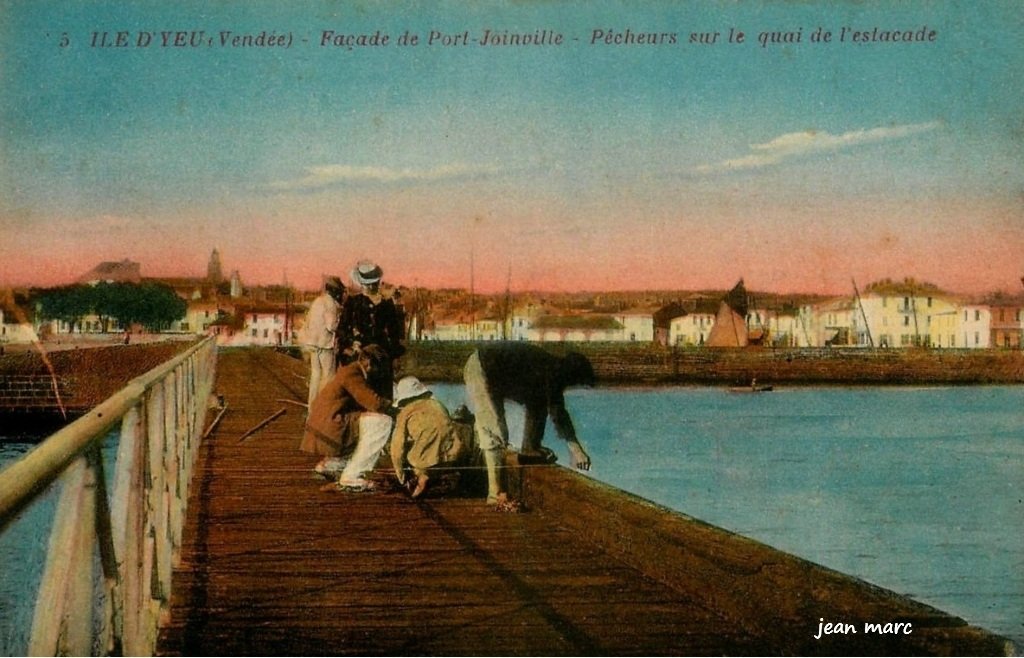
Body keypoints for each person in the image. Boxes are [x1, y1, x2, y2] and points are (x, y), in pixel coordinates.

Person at [463, 342, 596, 504]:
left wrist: (531, 448)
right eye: (576, 382)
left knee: (537, 403)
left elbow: (540, 408)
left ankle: (530, 447)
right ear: (571, 375)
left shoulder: (547, 371)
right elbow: (559, 414)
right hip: (481, 368)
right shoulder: (553, 372)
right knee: (494, 429)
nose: (572, 387)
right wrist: (577, 451)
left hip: (494, 373)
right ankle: (494, 495)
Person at [300, 345, 393, 491]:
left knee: (364, 421)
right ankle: (353, 476)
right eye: (378, 367)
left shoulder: (350, 370)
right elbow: (374, 403)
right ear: (368, 362)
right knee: (382, 422)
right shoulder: (353, 374)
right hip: (330, 425)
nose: (379, 372)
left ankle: (332, 464)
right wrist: (394, 406)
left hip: (324, 424)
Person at [388, 376, 474, 498]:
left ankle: (423, 476)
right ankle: (441, 475)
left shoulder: (405, 412)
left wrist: (401, 477)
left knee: (409, 454)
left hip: (426, 461)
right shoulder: (437, 404)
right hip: (455, 454)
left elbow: (397, 448)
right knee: (437, 449)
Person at [337, 260, 405, 398]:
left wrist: (396, 357)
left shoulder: (387, 304)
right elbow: (342, 329)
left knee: (382, 392)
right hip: (360, 354)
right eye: (367, 284)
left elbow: (394, 332)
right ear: (362, 284)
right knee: (360, 391)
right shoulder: (353, 302)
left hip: (381, 355)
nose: (370, 287)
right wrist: (351, 343)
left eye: (373, 283)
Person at [300, 276, 345, 409]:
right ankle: (324, 408)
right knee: (328, 377)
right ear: (335, 291)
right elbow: (331, 326)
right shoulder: (330, 304)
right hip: (326, 345)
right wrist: (341, 324)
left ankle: (312, 407)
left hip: (314, 345)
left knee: (315, 377)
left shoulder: (317, 301)